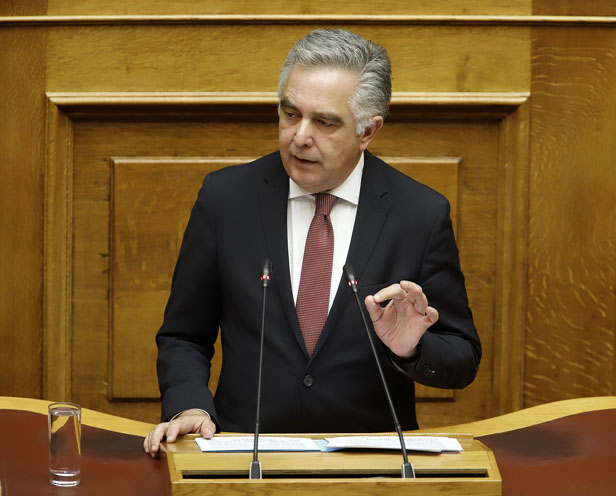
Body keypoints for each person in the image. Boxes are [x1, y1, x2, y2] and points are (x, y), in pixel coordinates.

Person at [144, 28, 481, 458]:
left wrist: (412, 348)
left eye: (324, 122)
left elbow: (462, 357)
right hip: (244, 458)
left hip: (370, 466)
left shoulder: (419, 214)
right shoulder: (226, 199)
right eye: (290, 114)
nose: (300, 136)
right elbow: (184, 335)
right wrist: (190, 405)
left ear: (368, 131)